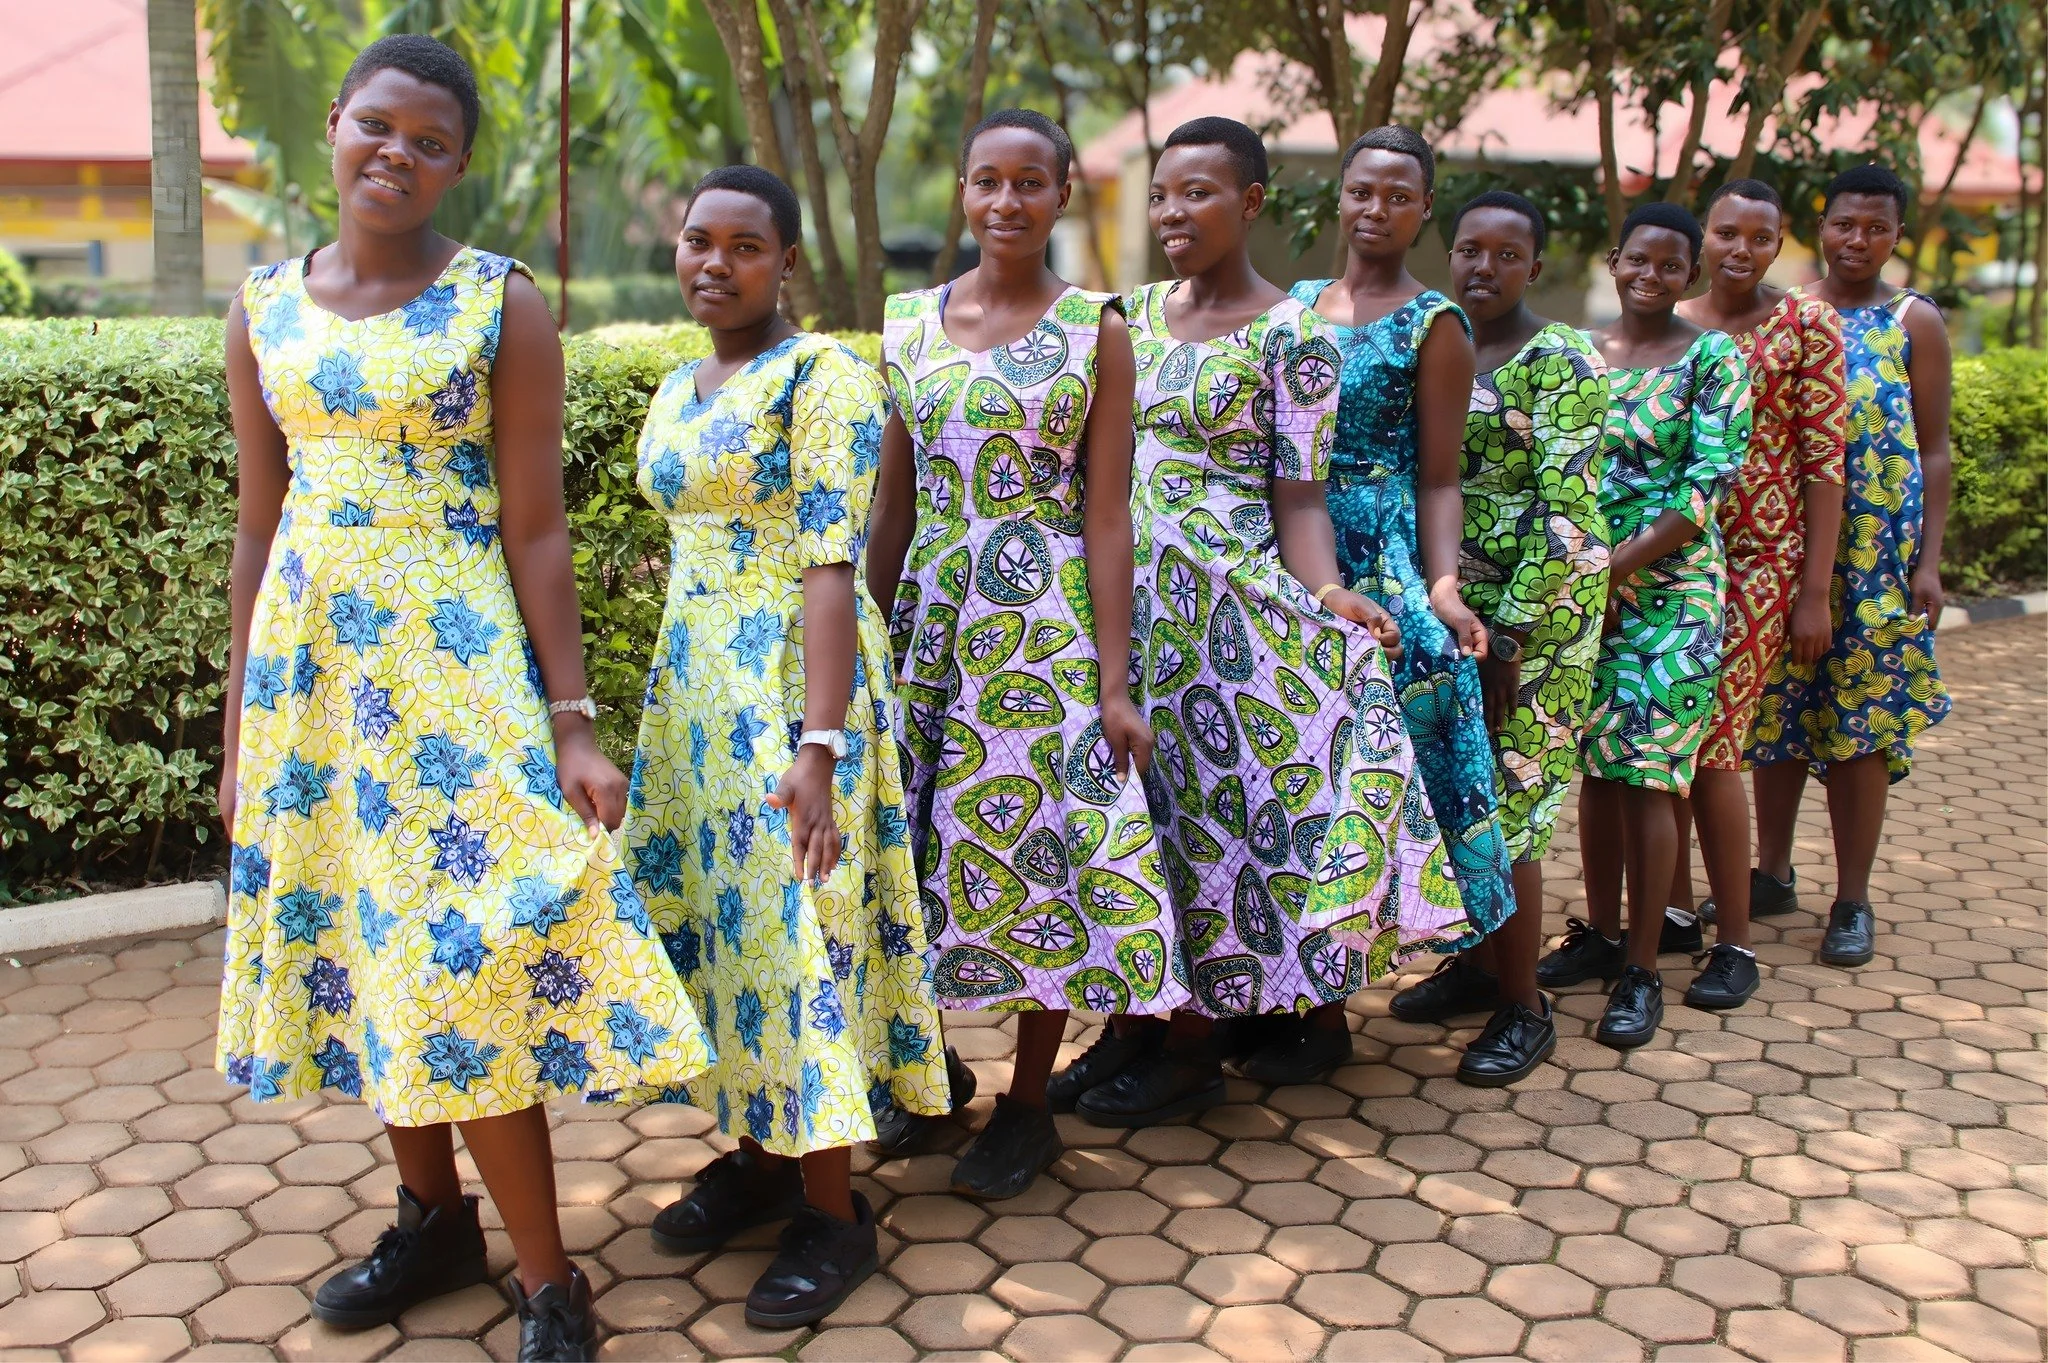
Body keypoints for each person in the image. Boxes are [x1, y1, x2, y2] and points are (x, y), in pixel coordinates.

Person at [214, 36, 709, 1362]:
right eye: (379, 127)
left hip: (454, 679)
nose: (399, 155)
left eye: (431, 143)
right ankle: (432, 1217)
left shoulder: (501, 303)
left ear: (459, 165)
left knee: (469, 959)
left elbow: (538, 531)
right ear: (333, 125)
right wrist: (237, 736)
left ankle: (553, 1285)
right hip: (310, 685)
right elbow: (258, 530)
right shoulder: (262, 303)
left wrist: (571, 718)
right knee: (375, 954)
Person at [1058, 115, 1466, 1127]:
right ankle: (1129, 1023)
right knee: (1124, 817)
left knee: (1202, 822)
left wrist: (1327, 598)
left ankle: (1190, 1042)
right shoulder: (1129, 315)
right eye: (1159, 194)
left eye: (1196, 193)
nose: (1170, 213)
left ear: (1247, 203)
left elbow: (1297, 498)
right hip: (1121, 603)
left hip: (1225, 620)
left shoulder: (1296, 336)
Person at [624, 165, 950, 1328]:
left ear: (787, 260)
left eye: (744, 246)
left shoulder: (826, 377)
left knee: (799, 935)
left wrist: (815, 743)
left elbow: (830, 565)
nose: (714, 263)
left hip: (787, 691)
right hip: (694, 693)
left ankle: (834, 1211)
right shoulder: (680, 380)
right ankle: (761, 1156)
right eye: (696, 241)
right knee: (732, 933)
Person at [865, 109, 1176, 1197]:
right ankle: (927, 1069)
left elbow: (1105, 516)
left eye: (1028, 183)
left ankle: (1029, 1101)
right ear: (960, 189)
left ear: (1058, 198)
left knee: (1043, 851)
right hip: (926, 628)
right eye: (985, 180)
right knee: (906, 852)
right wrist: (857, 646)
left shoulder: (1098, 328)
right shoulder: (905, 323)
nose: (1005, 202)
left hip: (1038, 636)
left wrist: (1114, 679)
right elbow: (890, 509)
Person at [1287, 128, 1517, 1080]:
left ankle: (1515, 995)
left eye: (1398, 196)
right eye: (1360, 193)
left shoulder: (1436, 324)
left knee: (1447, 760)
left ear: (1425, 209)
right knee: (1308, 779)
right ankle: (1312, 1007)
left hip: (1379, 548)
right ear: (1337, 201)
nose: (1375, 210)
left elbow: (1439, 478)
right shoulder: (1293, 308)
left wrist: (1442, 587)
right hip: (1291, 549)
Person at [1397, 189, 1611, 1085]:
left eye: (1506, 254)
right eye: (1470, 250)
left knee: (1510, 808)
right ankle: (1481, 965)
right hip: (1455, 607)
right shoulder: (1439, 338)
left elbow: (1568, 515)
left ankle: (1526, 1006)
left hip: (1538, 617)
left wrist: (1511, 635)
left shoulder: (1560, 359)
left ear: (1536, 264)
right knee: (1455, 790)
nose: (1484, 267)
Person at [1543, 202, 1752, 1050]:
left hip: (1673, 593)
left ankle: (1642, 967)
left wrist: (1610, 568)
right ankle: (1598, 934)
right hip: (1587, 586)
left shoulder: (1712, 358)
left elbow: (1704, 488)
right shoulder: (1581, 353)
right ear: (1613, 258)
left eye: (1672, 266)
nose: (1652, 276)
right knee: (1596, 765)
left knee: (1653, 771)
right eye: (1639, 260)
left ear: (1691, 276)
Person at [1746, 163, 1953, 967]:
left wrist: (1929, 561)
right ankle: (1770, 871)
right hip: (1787, 548)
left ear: (1898, 235)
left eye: (1875, 227)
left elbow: (1933, 451)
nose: (1856, 240)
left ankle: (1852, 897)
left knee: (1860, 722)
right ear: (1819, 227)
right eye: (1842, 224)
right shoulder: (1788, 313)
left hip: (1878, 563)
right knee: (1777, 711)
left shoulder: (1913, 320)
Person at [1666, 178, 1849, 1001]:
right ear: (1704, 238)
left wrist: (1814, 589)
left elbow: (1824, 462)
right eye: (1727, 234)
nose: (1741, 250)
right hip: (1668, 558)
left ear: (1779, 245)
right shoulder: (1672, 325)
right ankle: (1668, 915)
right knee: (1659, 737)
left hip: (1758, 562)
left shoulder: (1807, 323)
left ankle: (1733, 943)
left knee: (1711, 741)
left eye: (1760, 237)